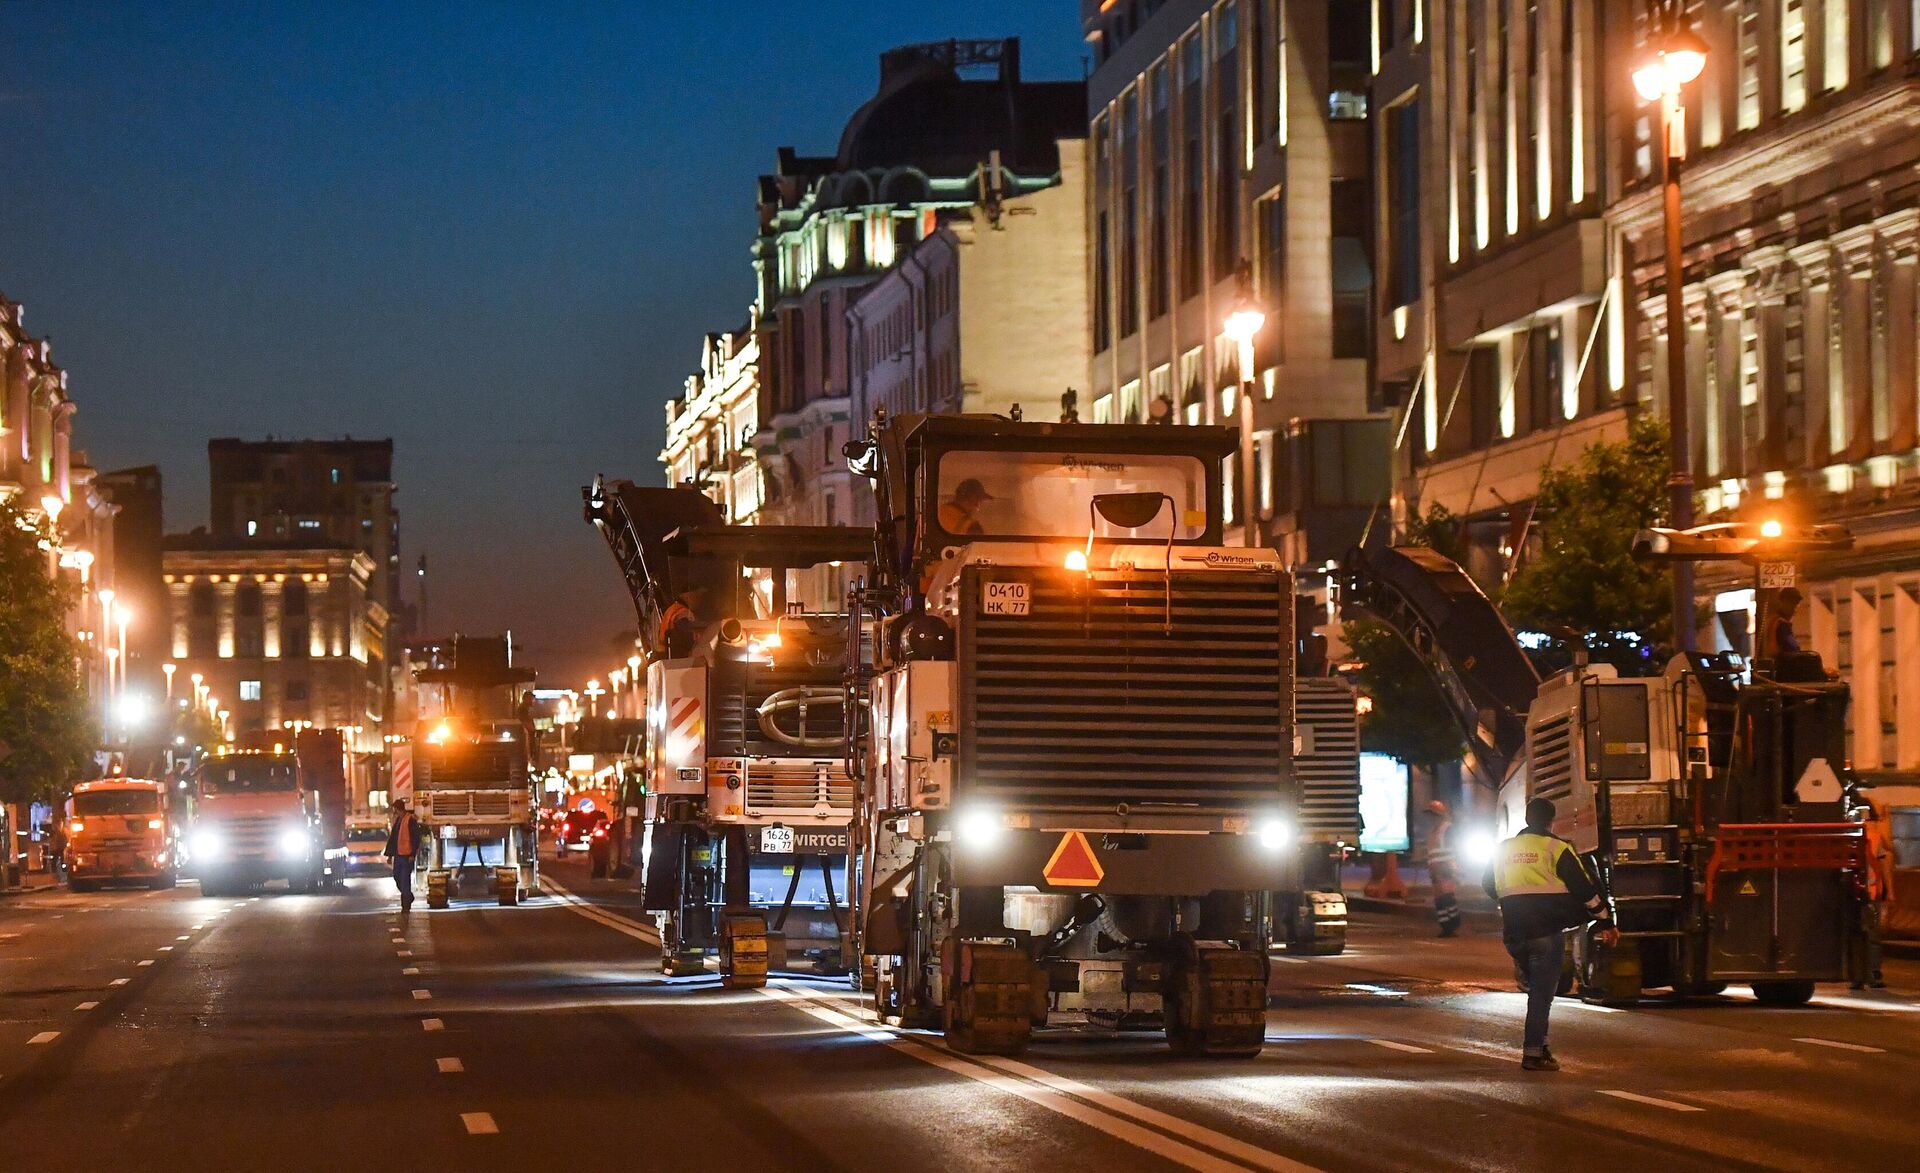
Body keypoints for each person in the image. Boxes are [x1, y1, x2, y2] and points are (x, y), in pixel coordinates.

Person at [1483, 797, 1616, 1071]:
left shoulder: (1503, 849)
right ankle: (1533, 1052)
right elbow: (1584, 888)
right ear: (1550, 820)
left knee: (1537, 990)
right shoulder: (1557, 848)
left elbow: (1488, 884)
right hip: (1544, 931)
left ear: (1527, 818)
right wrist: (1605, 919)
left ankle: (1540, 1044)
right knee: (1542, 994)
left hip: (1514, 934)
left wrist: (1511, 900)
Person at [383, 799, 428, 912]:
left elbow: (415, 838)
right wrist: (389, 856)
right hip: (398, 855)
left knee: (404, 880)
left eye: (395, 809)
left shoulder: (410, 820)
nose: (394, 811)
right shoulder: (398, 820)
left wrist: (413, 854)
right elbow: (393, 838)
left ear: (398, 809)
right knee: (397, 877)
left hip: (407, 856)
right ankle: (409, 896)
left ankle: (406, 905)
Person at [1426, 800, 1462, 938]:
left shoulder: (1447, 828)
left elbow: (1455, 848)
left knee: (1447, 897)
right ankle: (1446, 926)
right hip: (1436, 868)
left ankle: (1452, 924)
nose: (1431, 818)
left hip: (1445, 867)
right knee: (1440, 898)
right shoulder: (1435, 831)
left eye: (1433, 814)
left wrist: (1455, 868)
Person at [1766, 587, 1803, 659]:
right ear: (1781, 602)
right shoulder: (1779, 623)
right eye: (1790, 602)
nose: (1794, 607)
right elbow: (1773, 651)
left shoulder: (1784, 624)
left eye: (1796, 603)